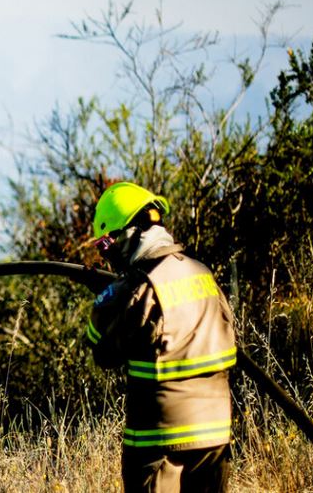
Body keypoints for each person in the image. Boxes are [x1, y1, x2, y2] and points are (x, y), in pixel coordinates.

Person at [85, 182, 237, 493]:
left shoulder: (141, 289)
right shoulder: (203, 274)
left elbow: (104, 353)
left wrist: (106, 300)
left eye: (105, 246)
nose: (106, 256)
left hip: (160, 443)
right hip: (216, 437)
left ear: (127, 235)